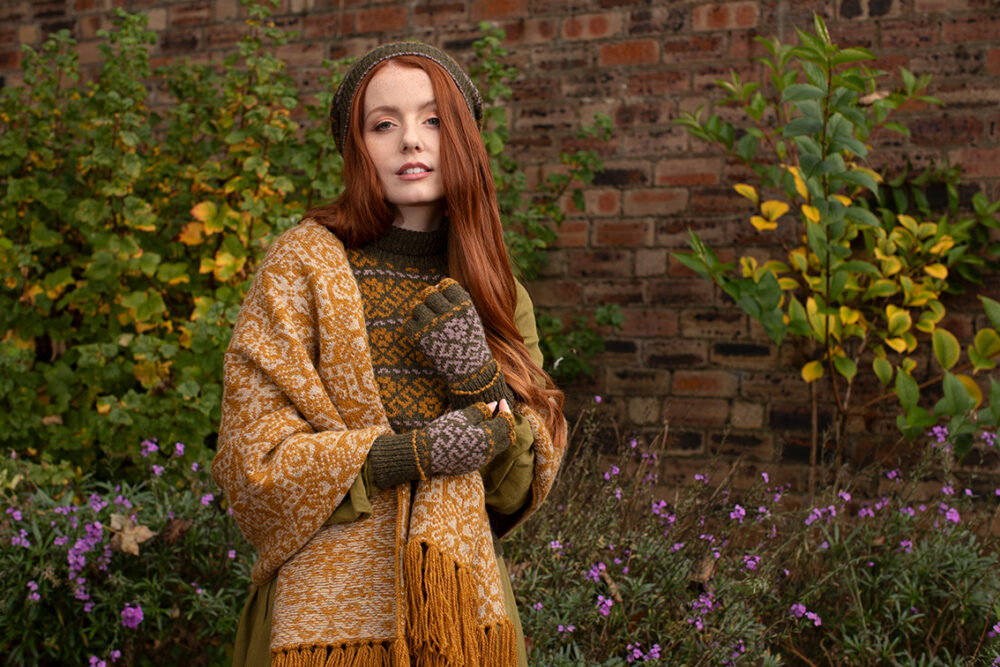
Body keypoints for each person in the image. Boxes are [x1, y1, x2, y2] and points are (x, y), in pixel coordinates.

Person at [211, 41, 567, 667]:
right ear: (359, 149)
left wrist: (479, 385)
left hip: (457, 611)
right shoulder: (299, 271)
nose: (411, 140)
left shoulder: (498, 292)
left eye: (432, 120)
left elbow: (513, 495)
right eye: (384, 124)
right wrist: (407, 456)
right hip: (315, 624)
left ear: (462, 139)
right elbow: (251, 467)